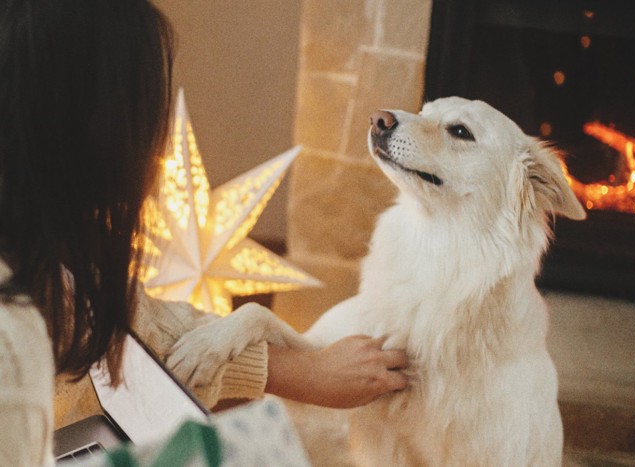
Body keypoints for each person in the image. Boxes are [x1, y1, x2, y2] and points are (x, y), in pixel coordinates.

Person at [0, 1, 408, 465]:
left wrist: (306, 370)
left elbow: (136, 326)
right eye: (146, 103)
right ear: (89, 127)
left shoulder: (49, 260)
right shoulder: (11, 339)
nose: (156, 145)